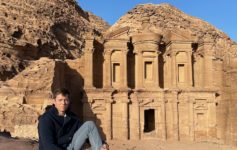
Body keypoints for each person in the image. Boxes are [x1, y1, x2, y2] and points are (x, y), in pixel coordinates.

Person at [38, 88, 109, 150]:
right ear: (54, 101)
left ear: (69, 101)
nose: (63, 103)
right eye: (60, 100)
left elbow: (84, 132)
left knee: (89, 125)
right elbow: (48, 146)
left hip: (70, 147)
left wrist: (103, 144)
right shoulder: (46, 119)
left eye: (66, 100)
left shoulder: (72, 117)